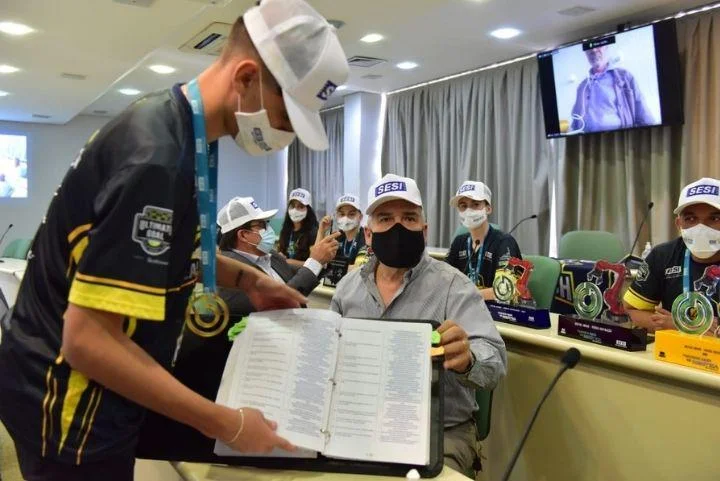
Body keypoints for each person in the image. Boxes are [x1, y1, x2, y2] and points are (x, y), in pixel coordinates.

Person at [0, 1, 349, 479]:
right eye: (287, 117)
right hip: (69, 410)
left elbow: (163, 250)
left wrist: (247, 280)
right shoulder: (156, 159)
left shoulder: (181, 129)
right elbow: (87, 340)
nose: (286, 134)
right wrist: (227, 423)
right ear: (246, 78)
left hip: (88, 398)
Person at [330, 174, 507, 475]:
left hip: (439, 435)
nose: (398, 227)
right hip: (359, 427)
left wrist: (468, 359)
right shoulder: (347, 289)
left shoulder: (454, 286)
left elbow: (496, 363)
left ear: (424, 231)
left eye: (409, 218)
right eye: (385, 218)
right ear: (369, 235)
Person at [624, 178, 720, 335]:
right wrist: (683, 325)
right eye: (690, 219)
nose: (701, 228)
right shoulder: (662, 256)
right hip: (674, 353)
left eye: (715, 218)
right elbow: (631, 311)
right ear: (679, 224)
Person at [216, 196, 339, 316]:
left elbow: (301, 274)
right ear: (243, 235)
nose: (269, 229)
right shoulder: (229, 271)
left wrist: (321, 255)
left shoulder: (270, 256)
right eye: (261, 224)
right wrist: (315, 260)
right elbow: (279, 303)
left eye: (267, 223)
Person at [445, 181, 522, 301]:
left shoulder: (505, 242)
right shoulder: (459, 242)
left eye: (475, 204)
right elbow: (443, 280)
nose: (469, 211)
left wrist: (464, 295)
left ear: (488, 209)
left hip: (496, 313)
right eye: (463, 206)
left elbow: (506, 289)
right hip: (464, 310)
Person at [569, 45, 655, 133]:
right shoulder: (582, 86)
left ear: (606, 46)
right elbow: (575, 123)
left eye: (598, 45)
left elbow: (645, 118)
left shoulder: (625, 77)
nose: (593, 50)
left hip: (620, 140)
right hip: (588, 143)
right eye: (589, 48)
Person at [317, 193, 366, 266]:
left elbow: (360, 269)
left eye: (351, 214)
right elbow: (316, 259)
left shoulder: (365, 237)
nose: (345, 218)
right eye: (342, 214)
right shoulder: (337, 236)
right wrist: (321, 231)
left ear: (360, 217)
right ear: (336, 216)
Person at [278, 188, 319, 267]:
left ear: (308, 209)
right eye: (292, 206)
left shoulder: (313, 233)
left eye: (300, 206)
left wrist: (288, 261)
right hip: (285, 273)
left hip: (304, 275)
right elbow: (281, 252)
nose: (295, 210)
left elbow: (313, 264)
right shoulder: (286, 230)